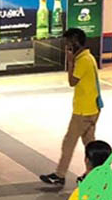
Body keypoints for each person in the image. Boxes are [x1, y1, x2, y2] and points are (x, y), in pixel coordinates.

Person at [41, 28, 102, 186]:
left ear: (75, 43)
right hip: (92, 108)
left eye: (68, 43)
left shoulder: (82, 61)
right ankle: (97, 174)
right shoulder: (89, 57)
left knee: (69, 142)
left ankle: (59, 175)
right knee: (90, 144)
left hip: (83, 111)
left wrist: (70, 62)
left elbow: (72, 82)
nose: (66, 47)